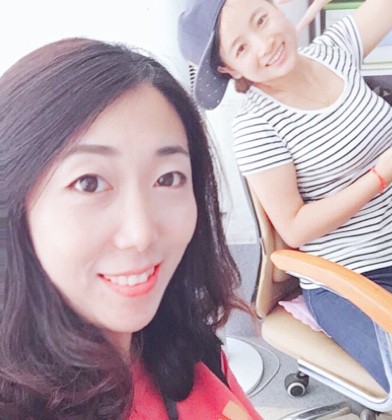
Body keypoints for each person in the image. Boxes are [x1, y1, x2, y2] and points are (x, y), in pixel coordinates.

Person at [177, 0, 392, 417]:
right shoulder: (256, 125)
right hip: (348, 281)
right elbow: (294, 227)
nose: (265, 44)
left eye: (262, 19)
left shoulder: (334, 49)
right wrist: (378, 178)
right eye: (241, 48)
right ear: (227, 69)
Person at [0, 37, 263, 419]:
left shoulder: (188, 347)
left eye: (168, 178)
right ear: (15, 205)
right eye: (89, 183)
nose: (141, 234)